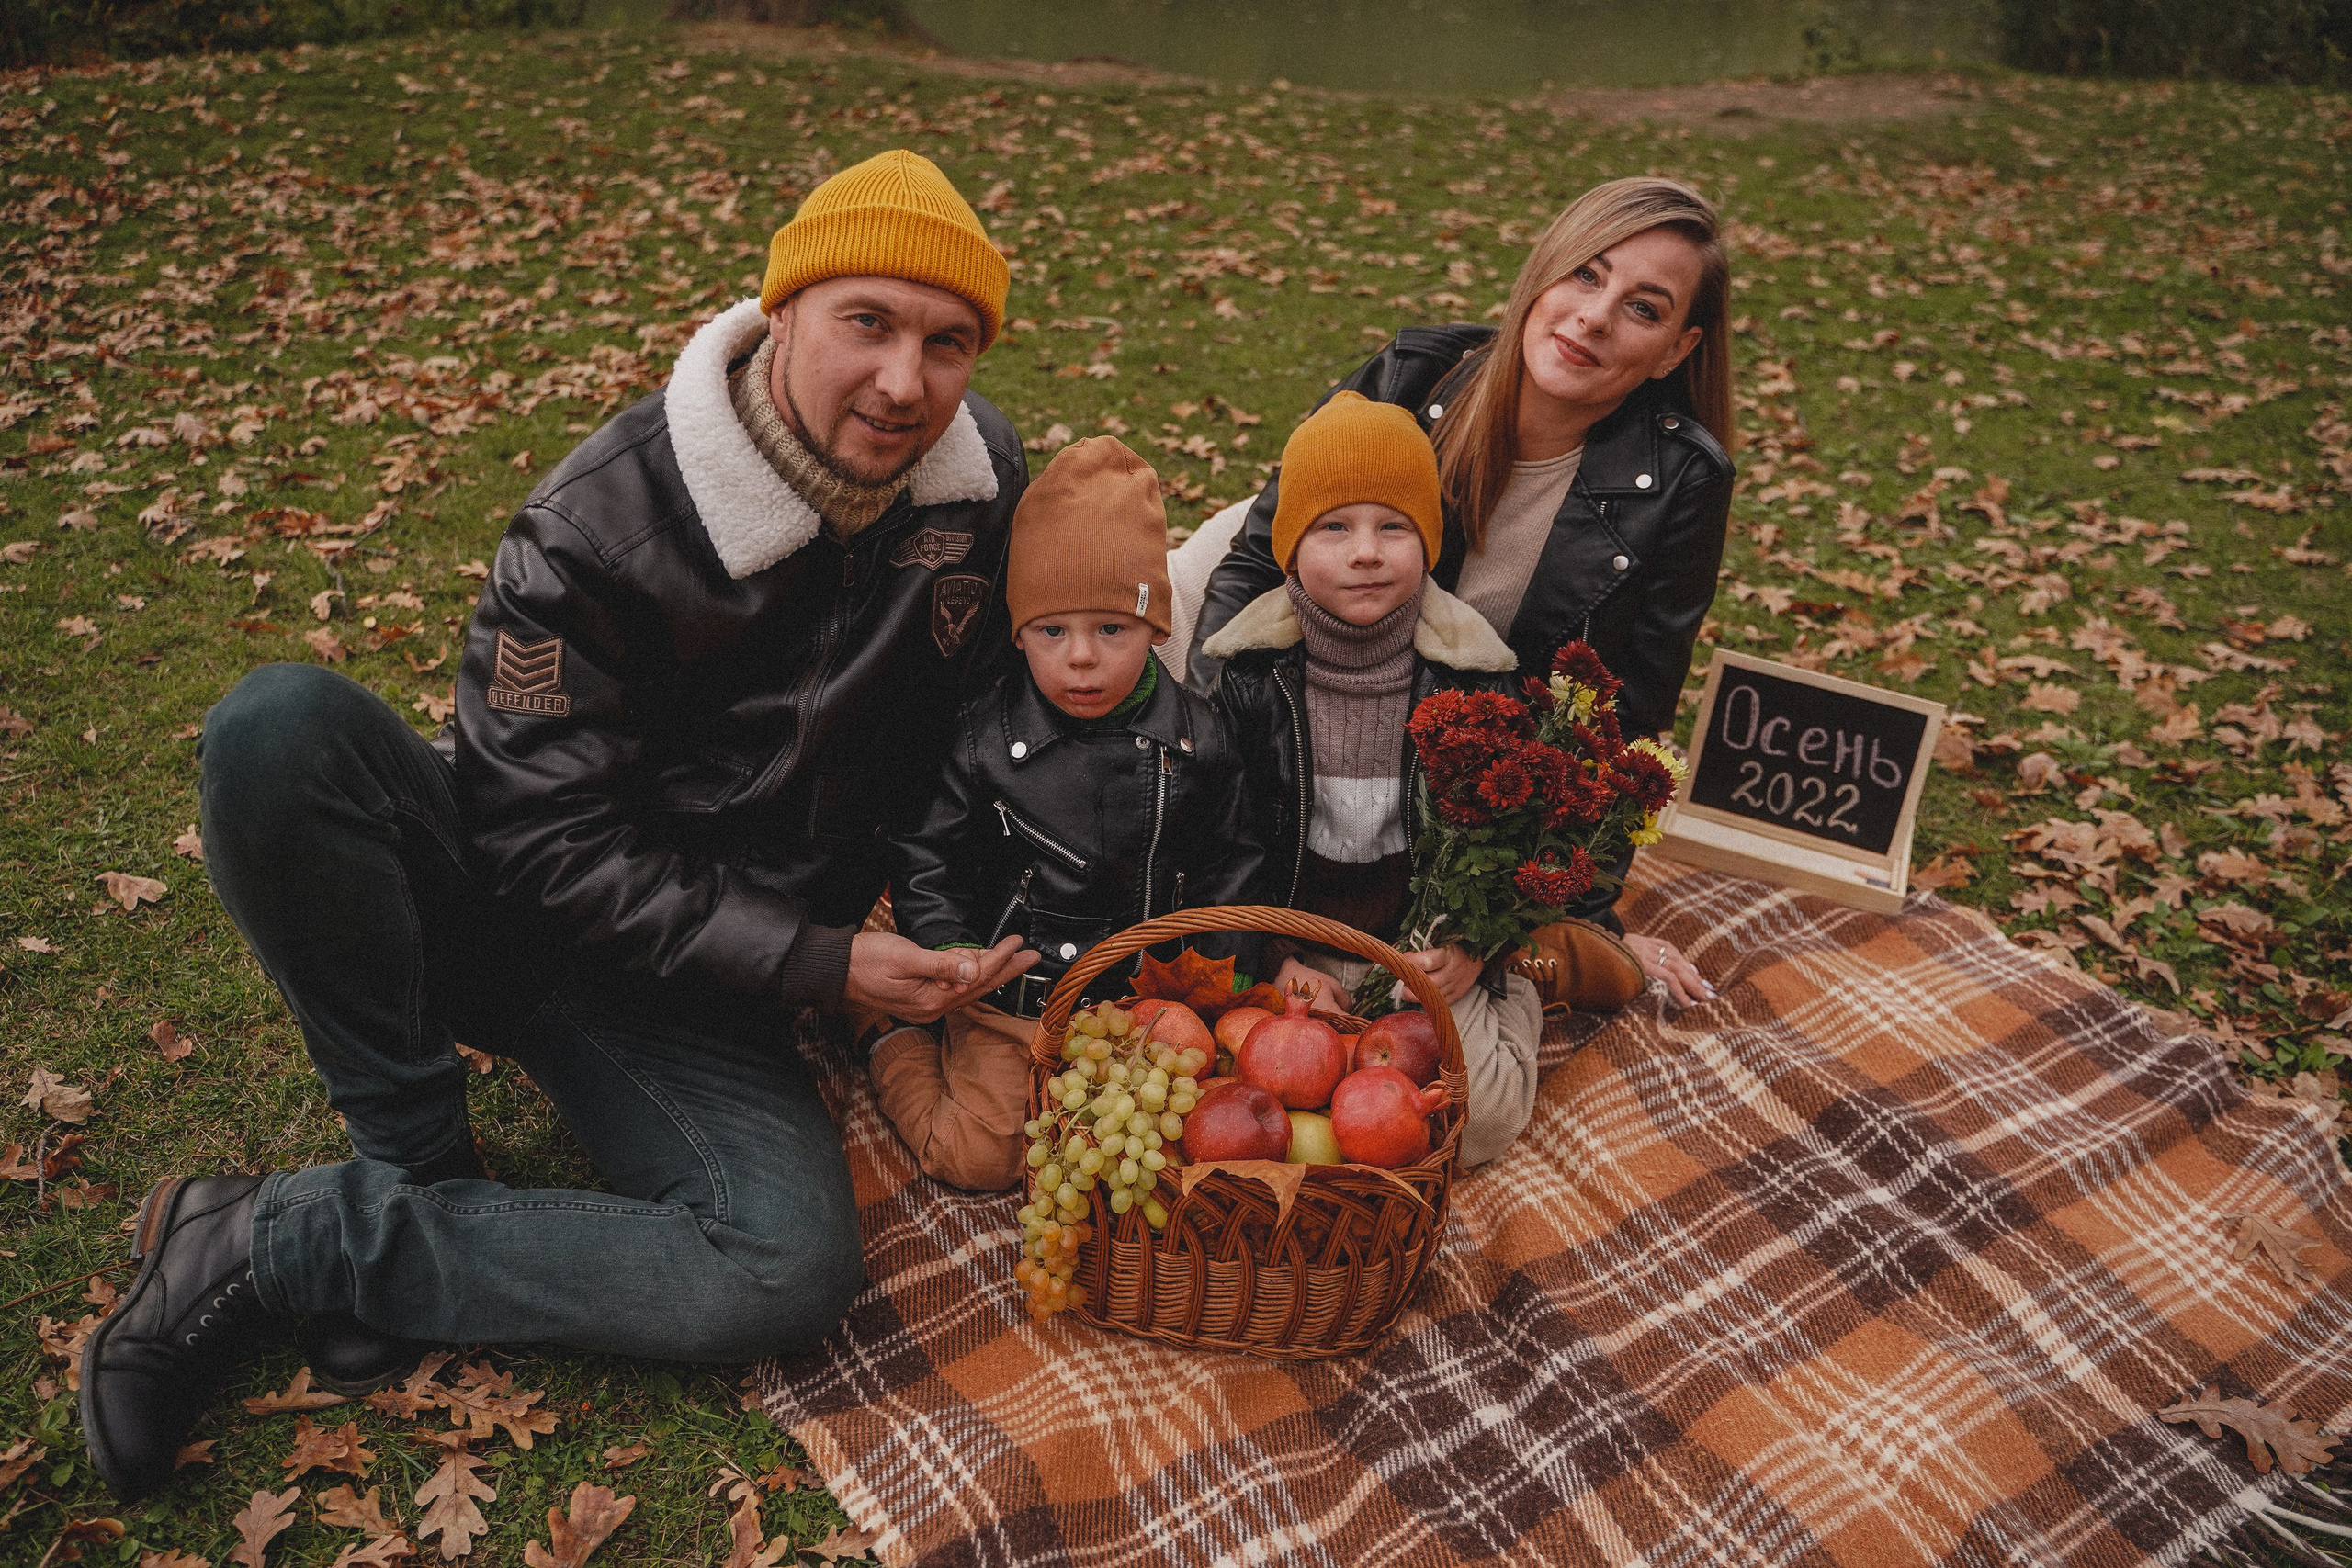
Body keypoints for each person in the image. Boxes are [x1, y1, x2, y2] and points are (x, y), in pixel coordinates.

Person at [80, 150, 1041, 1502]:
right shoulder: (600, 523)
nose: (904, 382)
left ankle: (290, 1237)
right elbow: (541, 838)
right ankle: (411, 1150)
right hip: (512, 901)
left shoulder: (977, 481)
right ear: (785, 315)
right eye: (867, 323)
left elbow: (990, 719)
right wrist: (819, 959)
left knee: (780, 1267)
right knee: (275, 730)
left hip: (701, 999)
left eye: (949, 343)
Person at [1185, 177, 1736, 1010]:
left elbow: (1624, 720)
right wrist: (1211, 770)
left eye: (1644, 308)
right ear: (1542, 275)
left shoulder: (1682, 480)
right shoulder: (1413, 375)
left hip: (1418, 737)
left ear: (1675, 351)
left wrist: (1578, 918)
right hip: (1292, 631)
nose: (1594, 315)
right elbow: (1254, 566)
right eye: (1586, 275)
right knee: (1140, 656)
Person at [876, 437, 1263, 1190]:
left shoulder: (1201, 738)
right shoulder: (985, 738)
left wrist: (1219, 979)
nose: (1080, 657)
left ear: (1156, 629)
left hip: (1143, 1006)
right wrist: (951, 950)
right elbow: (929, 854)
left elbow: (1235, 863)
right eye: (1053, 631)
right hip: (1012, 992)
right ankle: (891, 1042)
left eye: (1110, 629)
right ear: (1018, 632)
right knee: (985, 1155)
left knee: (1154, 1156)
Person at [1206, 392, 1540, 1168]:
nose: (1366, 551)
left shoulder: (1474, 680)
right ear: (1289, 548)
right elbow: (1221, 839)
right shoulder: (1249, 678)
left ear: (1427, 542)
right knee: (1268, 1106)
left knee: (1473, 1128)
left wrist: (1475, 949)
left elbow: (1509, 844)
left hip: (1419, 946)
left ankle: (1522, 994)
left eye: (1394, 527)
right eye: (1334, 527)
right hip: (1297, 940)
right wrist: (1262, 960)